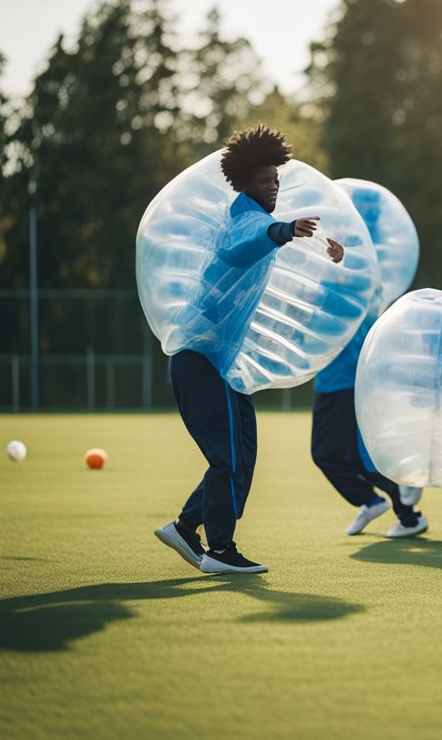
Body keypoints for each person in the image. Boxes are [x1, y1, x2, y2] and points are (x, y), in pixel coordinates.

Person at [153, 125, 344, 574]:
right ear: (244, 183)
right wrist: (284, 230)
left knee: (243, 450)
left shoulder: (260, 219)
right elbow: (243, 247)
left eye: (276, 180)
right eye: (264, 181)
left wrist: (326, 247)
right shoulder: (242, 222)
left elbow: (278, 235)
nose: (273, 187)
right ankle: (220, 550)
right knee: (228, 456)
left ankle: (185, 527)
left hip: (219, 363)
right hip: (198, 358)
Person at [311, 313, 427, 539]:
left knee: (332, 454)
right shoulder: (363, 293)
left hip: (340, 381)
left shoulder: (338, 295)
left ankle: (384, 503)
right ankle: (405, 514)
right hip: (345, 380)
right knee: (354, 455)